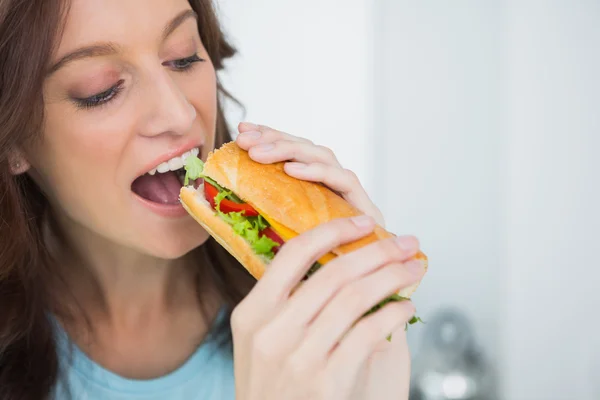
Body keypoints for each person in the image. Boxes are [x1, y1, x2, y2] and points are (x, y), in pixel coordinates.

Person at [0, 0, 425, 399]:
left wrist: (374, 356)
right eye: (103, 90)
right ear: (13, 139)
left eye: (183, 57)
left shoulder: (313, 318)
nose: (180, 114)